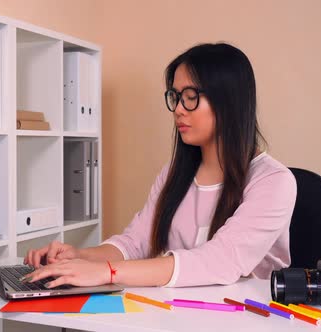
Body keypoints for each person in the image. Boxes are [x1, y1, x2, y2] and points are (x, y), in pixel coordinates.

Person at [21, 43, 297, 288]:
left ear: (229, 101)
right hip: (179, 316)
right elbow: (136, 241)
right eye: (175, 97)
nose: (178, 109)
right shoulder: (173, 174)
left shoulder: (273, 181)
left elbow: (221, 261)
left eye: (190, 96)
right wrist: (78, 257)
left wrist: (106, 272)